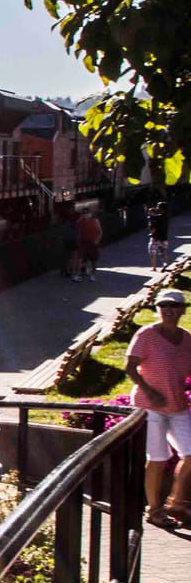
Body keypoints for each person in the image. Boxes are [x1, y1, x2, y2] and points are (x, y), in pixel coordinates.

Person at [124, 287, 191, 528]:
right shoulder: (146, 335)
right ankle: (153, 510)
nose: (168, 310)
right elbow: (130, 367)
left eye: (174, 305)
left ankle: (176, 502)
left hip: (178, 405)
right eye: (163, 305)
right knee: (158, 457)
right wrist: (150, 391)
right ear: (157, 309)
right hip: (148, 405)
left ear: (183, 309)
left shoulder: (187, 339)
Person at [76, 209, 103, 282]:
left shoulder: (95, 221)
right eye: (84, 214)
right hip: (83, 242)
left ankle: (93, 275)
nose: (86, 215)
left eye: (87, 213)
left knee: (93, 260)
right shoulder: (81, 222)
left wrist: (97, 240)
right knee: (80, 259)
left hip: (93, 242)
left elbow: (100, 231)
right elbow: (78, 230)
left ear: (90, 214)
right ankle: (78, 274)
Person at [149, 202, 171, 271]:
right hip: (164, 237)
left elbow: (152, 220)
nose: (156, 208)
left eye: (158, 207)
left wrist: (151, 212)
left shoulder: (157, 217)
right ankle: (165, 263)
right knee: (163, 251)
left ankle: (154, 267)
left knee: (152, 251)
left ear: (161, 209)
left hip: (156, 237)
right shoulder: (166, 216)